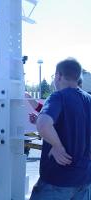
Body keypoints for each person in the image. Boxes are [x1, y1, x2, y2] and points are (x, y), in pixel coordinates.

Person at [30, 58, 91, 200]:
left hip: (56, 181)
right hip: (84, 180)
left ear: (58, 76)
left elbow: (44, 124)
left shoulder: (58, 96)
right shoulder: (89, 100)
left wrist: (57, 146)